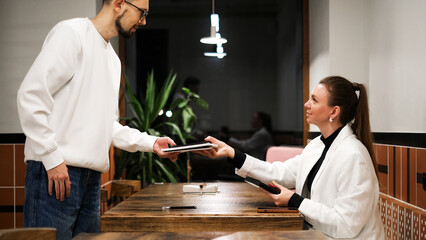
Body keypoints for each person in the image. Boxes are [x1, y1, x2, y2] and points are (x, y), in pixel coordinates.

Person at [16, 0, 178, 239]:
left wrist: (151, 143)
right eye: (141, 13)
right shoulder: (71, 34)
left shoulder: (113, 60)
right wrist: (52, 159)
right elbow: (30, 96)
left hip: (91, 180)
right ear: (119, 4)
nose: (143, 21)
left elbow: (108, 125)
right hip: (56, 173)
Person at [197, 76, 385, 239]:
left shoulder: (354, 156)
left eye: (314, 100)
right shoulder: (317, 145)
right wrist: (232, 154)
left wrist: (295, 201)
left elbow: (346, 225)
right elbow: (281, 172)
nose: (306, 104)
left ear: (334, 112)